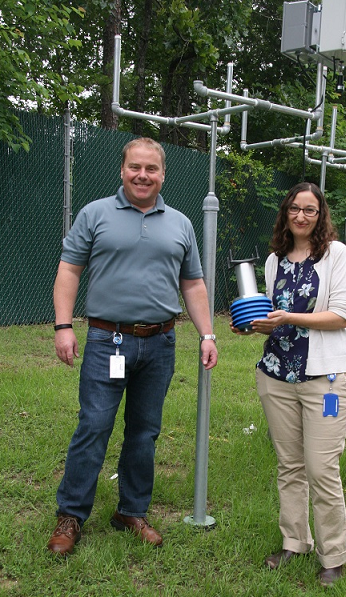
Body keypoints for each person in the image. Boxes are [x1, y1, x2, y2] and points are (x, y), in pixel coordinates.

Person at [48, 137, 218, 556]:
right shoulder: (95, 214)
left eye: (151, 169)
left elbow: (193, 283)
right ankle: (70, 515)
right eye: (135, 167)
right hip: (109, 340)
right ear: (122, 170)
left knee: (144, 432)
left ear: (163, 174)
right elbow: (69, 270)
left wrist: (207, 333)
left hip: (160, 344)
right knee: (94, 426)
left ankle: (132, 510)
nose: (143, 175)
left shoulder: (180, 223)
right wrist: (63, 326)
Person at [231, 181, 346, 587]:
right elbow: (272, 315)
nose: (301, 216)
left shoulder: (334, 255)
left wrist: (288, 318)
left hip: (325, 379)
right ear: (286, 214)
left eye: (310, 210)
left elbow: (342, 314)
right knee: (290, 466)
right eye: (294, 209)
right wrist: (254, 326)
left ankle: (334, 554)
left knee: (322, 469)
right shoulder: (275, 260)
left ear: (321, 217)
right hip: (276, 375)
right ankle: (294, 542)